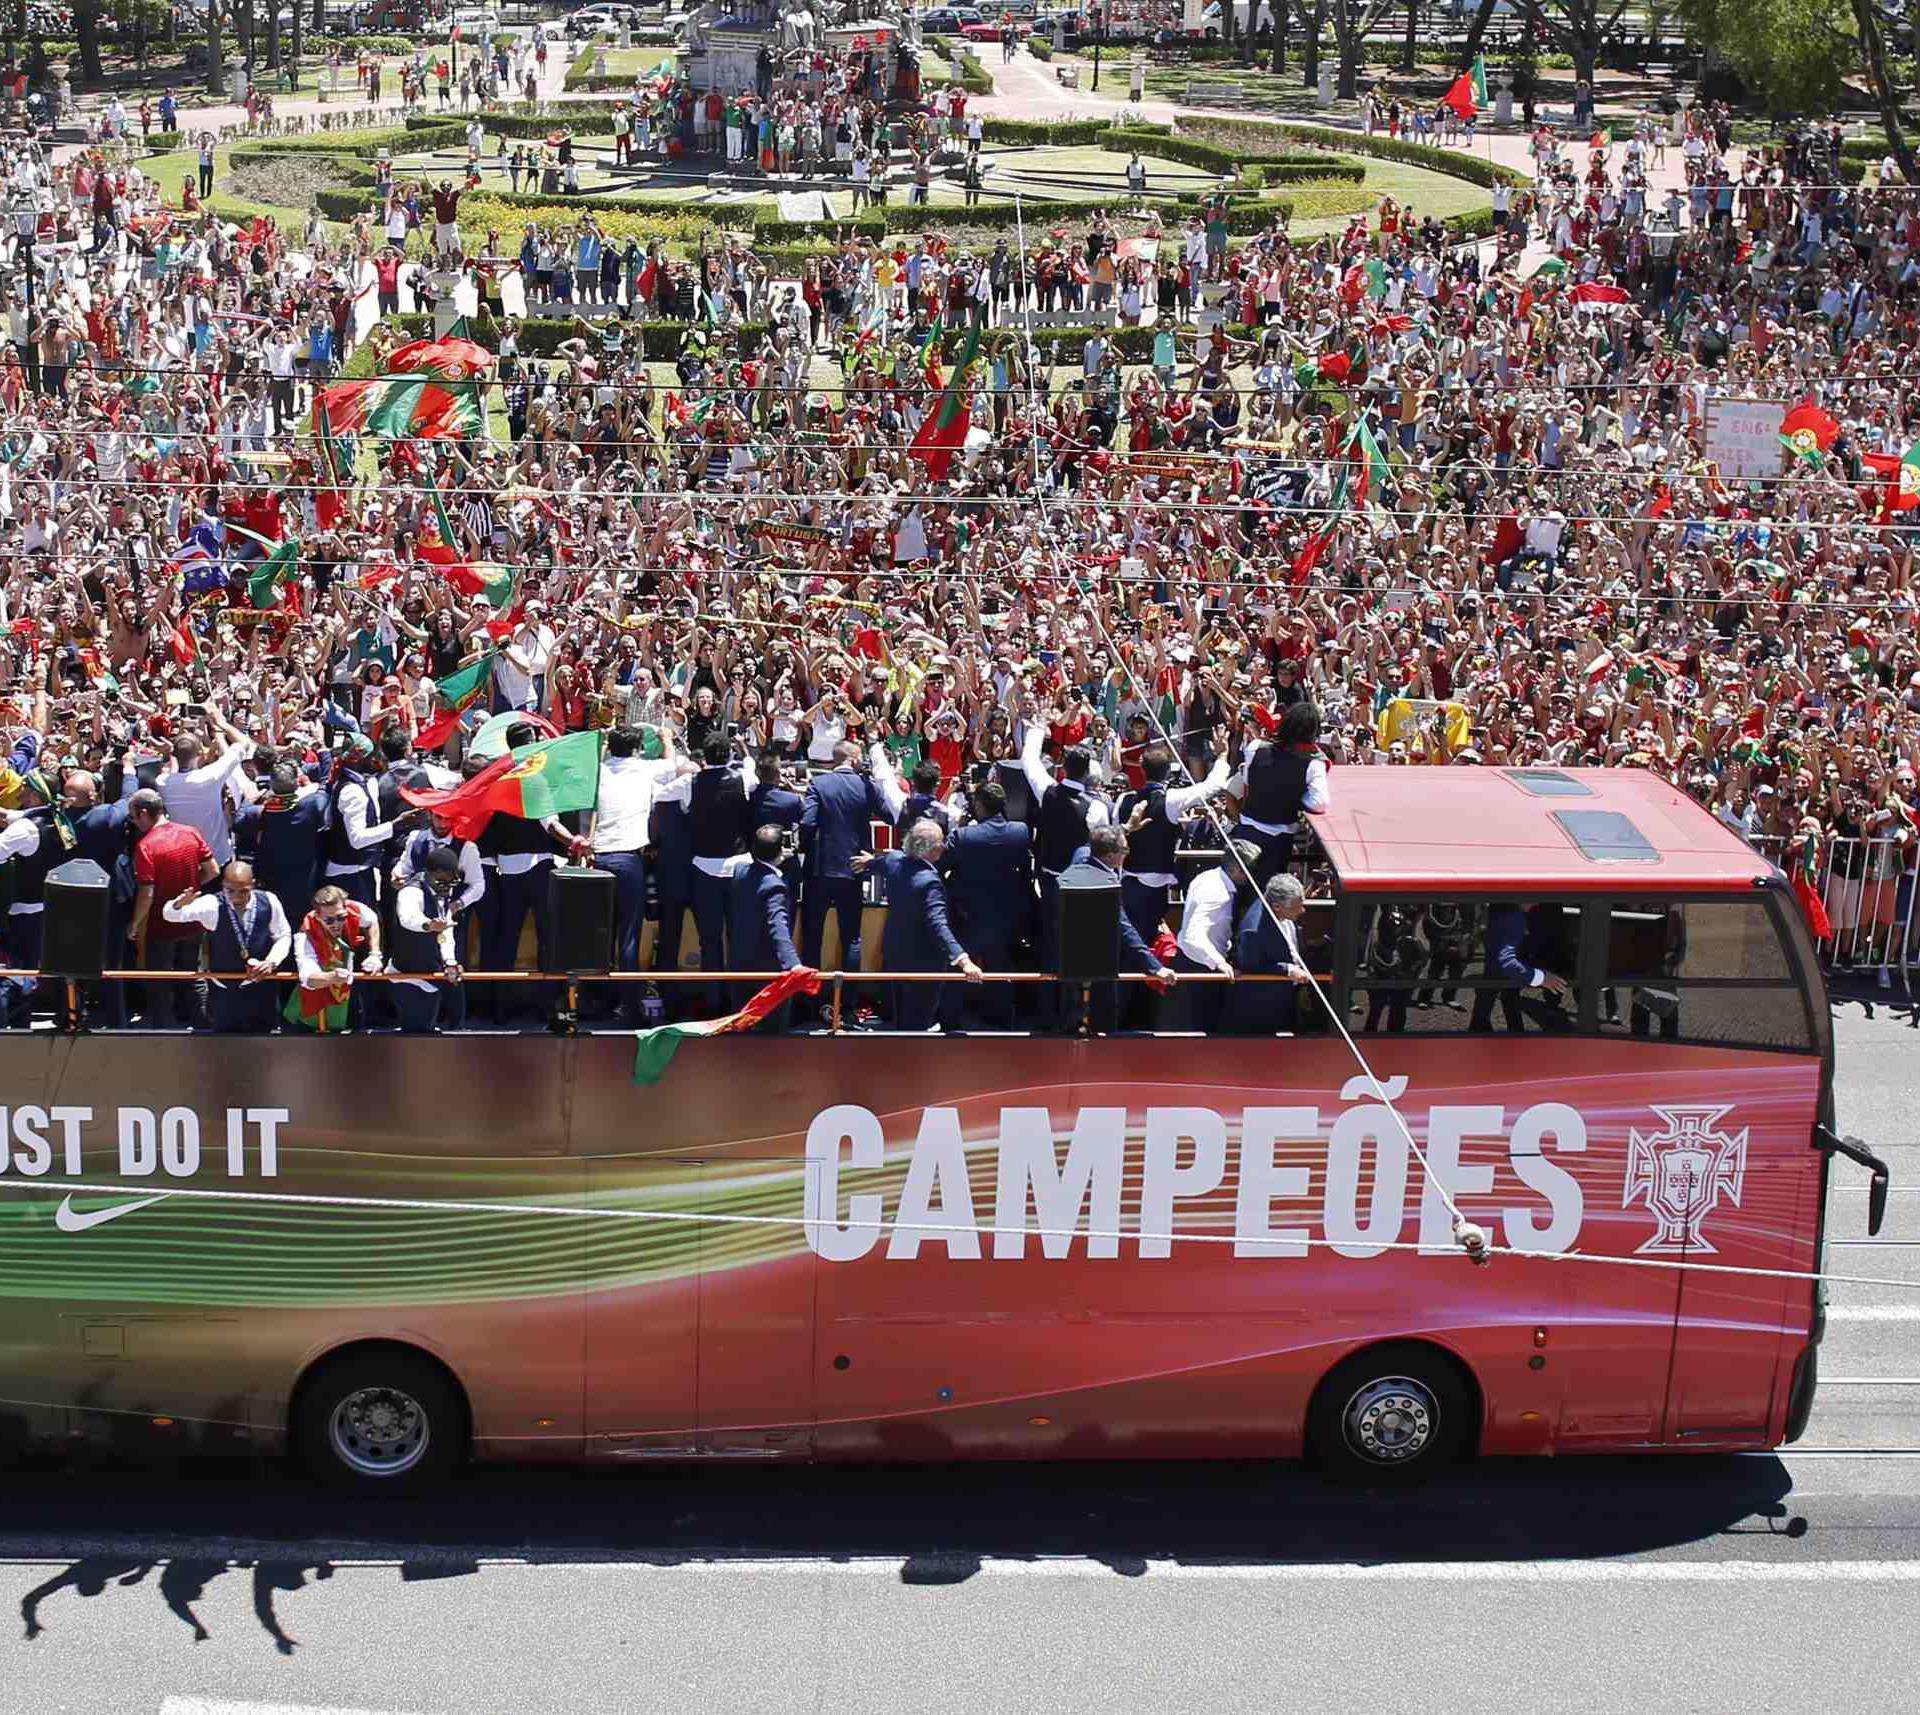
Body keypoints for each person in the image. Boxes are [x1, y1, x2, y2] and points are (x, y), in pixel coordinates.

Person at [587, 725, 692, 1021]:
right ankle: (630, 1006)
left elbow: (600, 756)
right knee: (628, 936)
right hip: (629, 859)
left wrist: (605, 743)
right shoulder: (645, 769)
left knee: (600, 936)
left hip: (600, 859)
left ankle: (599, 1001)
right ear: (637, 750)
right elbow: (674, 765)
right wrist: (667, 738)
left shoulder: (599, 770)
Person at [862, 818, 982, 1031]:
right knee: (917, 1022)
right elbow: (938, 925)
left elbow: (879, 863)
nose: (944, 846)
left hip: (895, 955)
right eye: (941, 842)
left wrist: (868, 861)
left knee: (901, 1017)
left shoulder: (895, 860)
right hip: (923, 963)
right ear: (932, 849)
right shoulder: (929, 882)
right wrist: (963, 961)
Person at [940, 776, 1032, 1029]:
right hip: (1006, 913)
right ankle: (1002, 1019)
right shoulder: (1020, 832)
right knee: (1000, 966)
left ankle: (950, 1020)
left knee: (959, 965)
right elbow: (1025, 872)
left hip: (968, 913)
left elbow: (941, 866)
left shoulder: (964, 835)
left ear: (979, 806)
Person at [158, 860, 292, 1034]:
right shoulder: (212, 904)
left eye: (243, 891)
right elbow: (171, 916)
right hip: (224, 992)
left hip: (262, 989)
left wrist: (271, 962)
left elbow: (283, 935)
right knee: (225, 1047)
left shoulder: (269, 900)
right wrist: (178, 904)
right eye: (230, 891)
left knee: (265, 1043)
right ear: (223, 886)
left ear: (253, 884)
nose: (236, 897)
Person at [127, 789, 218, 1028]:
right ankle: (202, 1025)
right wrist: (193, 885)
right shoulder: (191, 833)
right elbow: (213, 870)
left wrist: (135, 923)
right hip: (192, 921)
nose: (134, 823)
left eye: (134, 818)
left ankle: (163, 1031)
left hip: (162, 926)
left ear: (144, 814)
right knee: (192, 975)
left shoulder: (146, 846)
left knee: (159, 980)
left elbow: (147, 893)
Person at [799, 740, 886, 973]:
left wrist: (803, 849)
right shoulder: (866, 786)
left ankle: (809, 1003)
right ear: (854, 759)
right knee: (851, 938)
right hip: (854, 868)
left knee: (812, 938)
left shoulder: (819, 783)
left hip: (819, 868)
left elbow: (807, 822)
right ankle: (847, 1006)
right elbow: (889, 814)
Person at [1229, 701, 1330, 886]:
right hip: (1278, 842)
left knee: (1237, 888)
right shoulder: (1313, 765)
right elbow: (1319, 802)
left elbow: (1247, 782)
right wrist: (1296, 795)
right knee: (1265, 895)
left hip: (1247, 830)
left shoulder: (1255, 748)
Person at [1168, 838, 1261, 1033]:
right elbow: (1194, 934)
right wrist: (1220, 963)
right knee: (1200, 1028)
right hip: (1199, 970)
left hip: (1194, 963)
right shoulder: (1217, 894)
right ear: (1238, 869)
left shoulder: (1207, 877)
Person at [727, 823, 802, 1026]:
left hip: (740, 964)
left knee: (741, 1027)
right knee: (771, 1036)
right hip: (767, 972)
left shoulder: (740, 871)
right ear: (779, 852)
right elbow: (779, 928)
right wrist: (794, 964)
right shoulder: (775, 886)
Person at [287, 884, 385, 1034]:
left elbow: (372, 921)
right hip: (317, 1003)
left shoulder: (353, 909)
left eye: (341, 917)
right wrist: (332, 977)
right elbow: (309, 979)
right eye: (329, 920)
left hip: (348, 995)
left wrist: (375, 954)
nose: (336, 924)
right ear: (318, 916)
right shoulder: (305, 935)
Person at [390, 846, 468, 1034]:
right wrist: (428, 925)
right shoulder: (411, 892)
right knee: (417, 1032)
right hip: (408, 976)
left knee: (451, 1015)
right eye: (441, 880)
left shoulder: (442, 894)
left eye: (450, 882)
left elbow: (446, 932)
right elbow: (408, 918)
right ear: (429, 874)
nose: (445, 886)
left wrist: (450, 961)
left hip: (433, 971)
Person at [1224, 872, 1313, 1034]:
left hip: (1283, 998)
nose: (1302, 910)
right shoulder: (1253, 931)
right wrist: (1287, 969)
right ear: (1277, 906)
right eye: (1296, 907)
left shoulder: (1280, 911)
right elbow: (1251, 967)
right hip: (1260, 1007)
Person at [1469, 900, 1573, 1033]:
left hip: (1497, 972)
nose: (1536, 904)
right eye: (1533, 899)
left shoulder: (1502, 913)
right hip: (1506, 973)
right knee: (1503, 1003)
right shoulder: (1514, 918)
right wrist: (1541, 978)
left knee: (1496, 1003)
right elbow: (1506, 962)